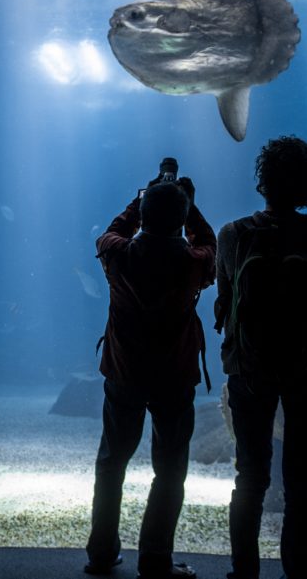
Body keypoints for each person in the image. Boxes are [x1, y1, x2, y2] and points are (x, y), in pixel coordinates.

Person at [213, 136, 307, 579]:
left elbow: (223, 304)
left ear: (262, 181)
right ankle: (298, 575)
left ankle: (243, 572)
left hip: (248, 369)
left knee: (249, 477)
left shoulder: (232, 234)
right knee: (302, 483)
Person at [86, 170, 216, 579]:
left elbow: (110, 232)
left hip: (124, 372)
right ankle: (156, 558)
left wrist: (138, 199)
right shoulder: (194, 262)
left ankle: (102, 554)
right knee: (171, 467)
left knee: (112, 461)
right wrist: (189, 207)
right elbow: (209, 244)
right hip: (174, 376)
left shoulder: (118, 254)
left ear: (142, 214)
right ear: (182, 218)